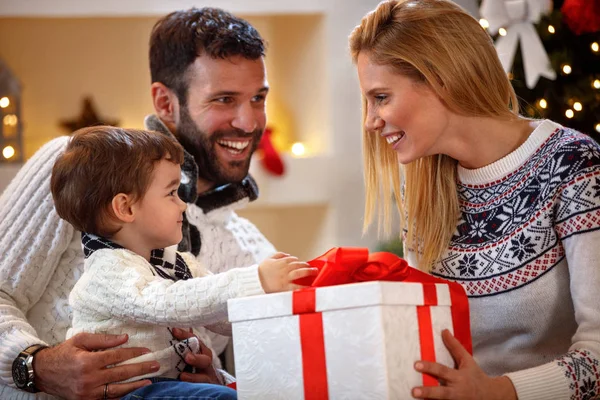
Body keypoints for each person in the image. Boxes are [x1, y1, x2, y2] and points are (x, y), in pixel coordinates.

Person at [0, 7, 279, 399]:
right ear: (165, 102)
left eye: (258, 98)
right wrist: (33, 364)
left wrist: (220, 380)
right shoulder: (78, 167)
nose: (249, 122)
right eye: (224, 99)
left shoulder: (250, 248)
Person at [350, 1, 600, 399]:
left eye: (381, 97)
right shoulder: (422, 188)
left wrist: (498, 391)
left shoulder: (571, 164)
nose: (370, 120)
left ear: (440, 78)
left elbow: (598, 356)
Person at [49, 126, 314, 399]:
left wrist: (278, 305)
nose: (183, 205)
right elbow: (166, 302)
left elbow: (222, 314)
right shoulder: (106, 271)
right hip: (130, 392)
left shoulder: (177, 263)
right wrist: (255, 279)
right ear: (126, 208)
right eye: (171, 193)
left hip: (168, 387)